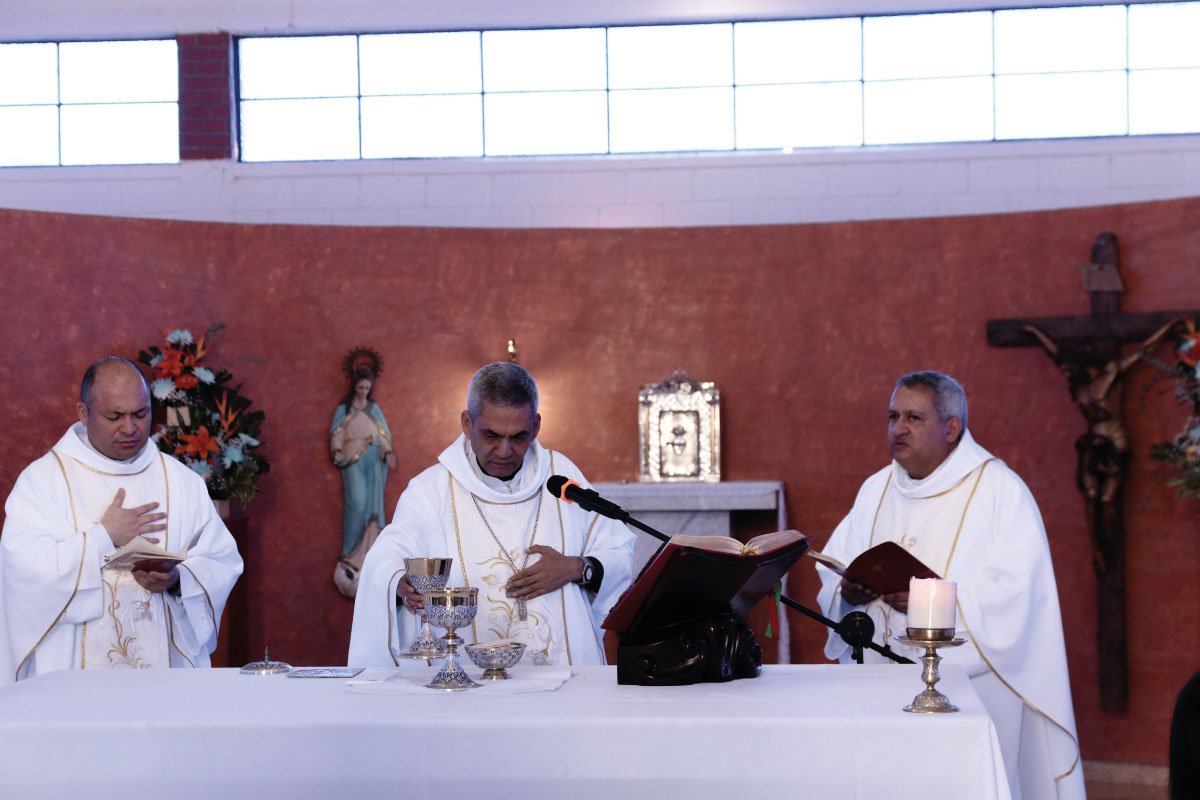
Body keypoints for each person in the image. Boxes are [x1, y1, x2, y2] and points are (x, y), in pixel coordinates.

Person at [815, 371, 1083, 800]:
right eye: (893, 416)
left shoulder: (1000, 491)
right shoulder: (875, 488)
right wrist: (847, 594)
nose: (897, 428)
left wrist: (935, 603)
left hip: (972, 692)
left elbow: (1020, 599)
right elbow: (835, 569)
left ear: (952, 428)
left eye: (914, 418)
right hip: (876, 683)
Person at [349, 361, 636, 667]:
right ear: (467, 423)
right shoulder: (431, 489)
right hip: (467, 683)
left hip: (564, 677)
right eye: (491, 435)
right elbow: (386, 555)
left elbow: (618, 549)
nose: (504, 451)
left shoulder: (561, 477)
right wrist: (399, 582)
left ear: (536, 427)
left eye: (518, 437)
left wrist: (577, 568)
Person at [0, 356, 243, 682]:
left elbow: (221, 559)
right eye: (114, 416)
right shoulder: (45, 481)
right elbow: (21, 569)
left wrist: (177, 580)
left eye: (141, 414)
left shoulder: (181, 481)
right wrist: (103, 536)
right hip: (73, 680)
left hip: (164, 679)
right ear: (83, 413)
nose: (130, 427)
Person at [330, 350, 395, 598]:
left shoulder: (373, 408)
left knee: (373, 506)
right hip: (352, 460)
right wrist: (337, 448)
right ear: (354, 386)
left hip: (373, 460)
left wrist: (387, 451)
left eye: (367, 388)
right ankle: (350, 553)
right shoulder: (344, 408)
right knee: (356, 502)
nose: (363, 392)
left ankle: (368, 555)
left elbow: (385, 434)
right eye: (360, 388)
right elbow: (336, 433)